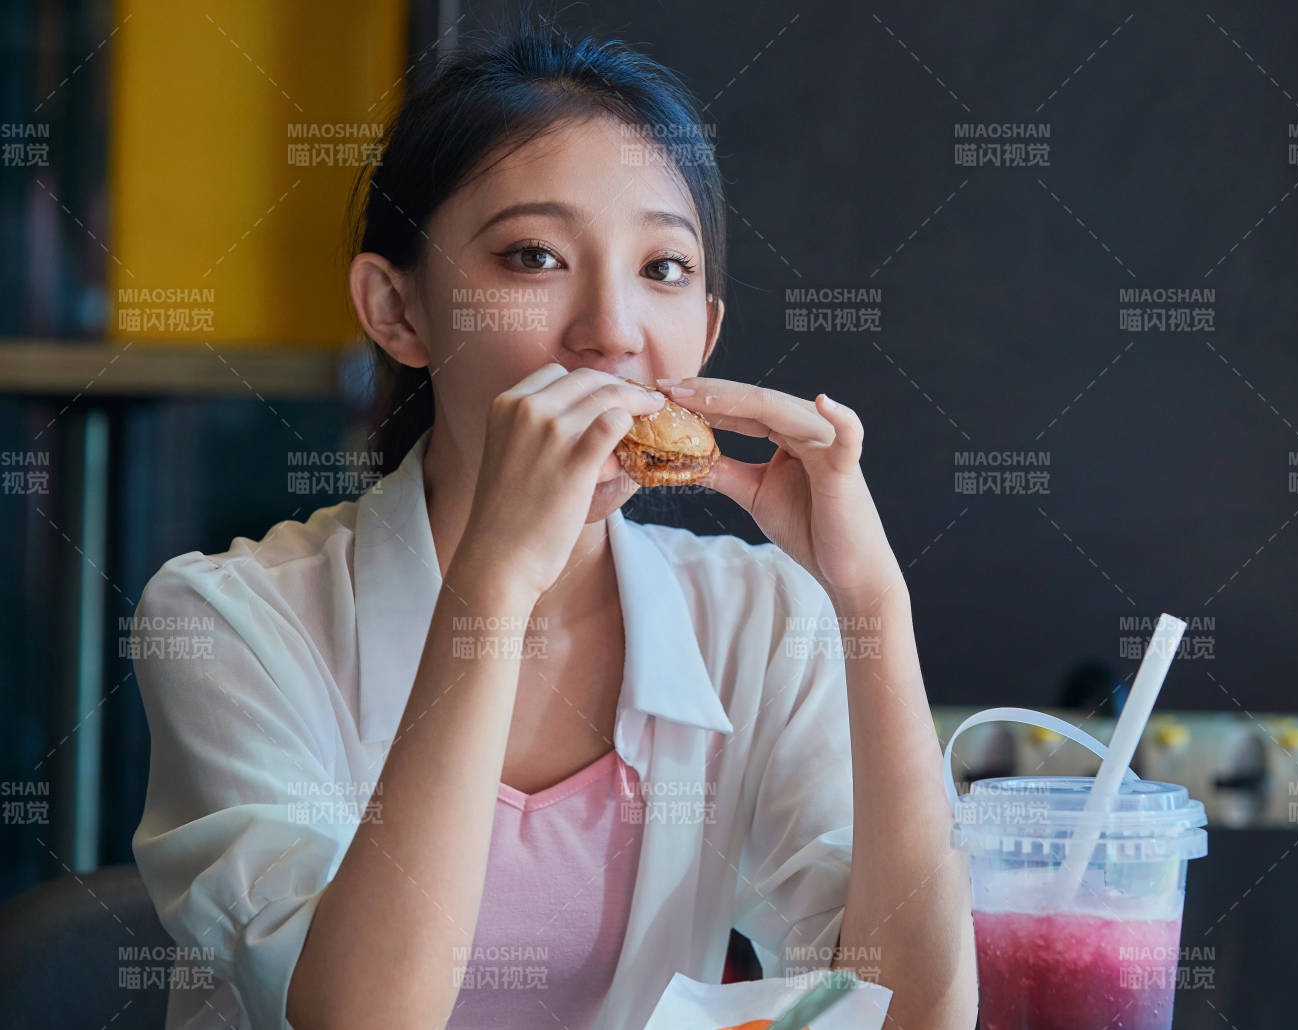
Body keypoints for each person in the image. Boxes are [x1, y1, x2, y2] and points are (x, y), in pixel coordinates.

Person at [130, 21, 977, 1030]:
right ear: (397, 310)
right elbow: (358, 1018)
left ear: (702, 336)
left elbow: (908, 1015)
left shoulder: (753, 617)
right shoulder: (230, 619)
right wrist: (493, 586)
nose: (610, 330)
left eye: (661, 268)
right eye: (533, 256)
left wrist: (871, 602)